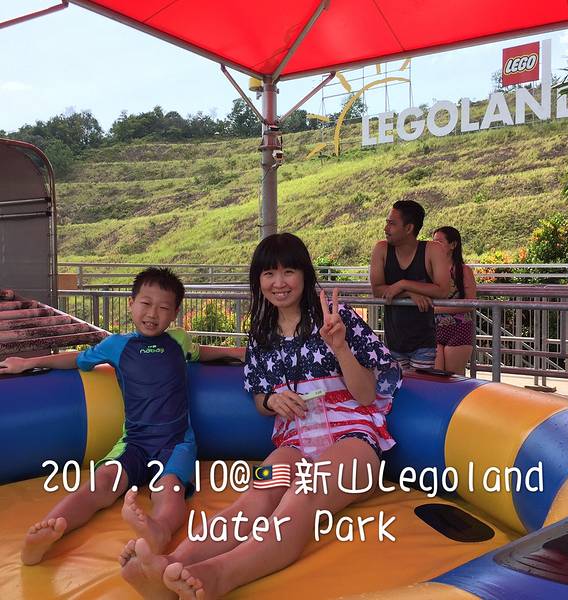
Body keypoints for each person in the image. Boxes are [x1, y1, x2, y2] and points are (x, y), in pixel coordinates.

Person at [119, 233, 401, 600]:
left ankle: (218, 576)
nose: (279, 282)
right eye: (269, 273)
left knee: (303, 494)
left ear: (305, 274)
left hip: (354, 440)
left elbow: (366, 395)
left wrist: (341, 347)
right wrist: (272, 401)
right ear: (259, 280)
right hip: (296, 442)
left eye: (289, 271)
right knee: (254, 499)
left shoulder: (337, 319)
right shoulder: (262, 335)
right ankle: (169, 565)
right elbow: (258, 398)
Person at [0, 267, 244, 565]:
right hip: (134, 444)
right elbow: (77, 359)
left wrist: (237, 352)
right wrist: (28, 363)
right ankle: (50, 529)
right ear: (131, 303)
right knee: (100, 483)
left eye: (163, 307)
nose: (152, 313)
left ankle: (159, 530)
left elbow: (201, 352)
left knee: (170, 490)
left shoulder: (179, 340)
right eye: (146, 303)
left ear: (175, 313)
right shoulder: (117, 345)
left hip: (176, 443)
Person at [370, 199, 450, 371]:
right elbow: (377, 290)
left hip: (424, 342)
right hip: (393, 342)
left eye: (392, 224)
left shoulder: (432, 249)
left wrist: (403, 284)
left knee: (420, 385)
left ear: (409, 228)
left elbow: (443, 290)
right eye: (387, 223)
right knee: (398, 386)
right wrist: (409, 292)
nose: (386, 228)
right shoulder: (381, 249)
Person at [432, 227, 477, 375]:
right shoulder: (429, 270)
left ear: (453, 245)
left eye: (439, 242)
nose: (435, 246)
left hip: (459, 328)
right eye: (433, 242)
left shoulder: (463, 271)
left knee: (454, 378)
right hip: (432, 329)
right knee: (435, 377)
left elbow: (470, 303)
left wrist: (436, 309)